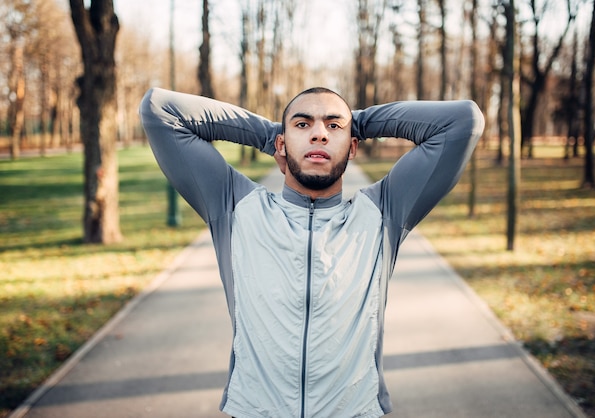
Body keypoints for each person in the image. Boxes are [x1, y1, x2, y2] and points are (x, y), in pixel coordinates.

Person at [139, 87, 484, 418]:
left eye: (333, 126)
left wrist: (357, 122)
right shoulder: (235, 206)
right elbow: (159, 110)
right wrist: (269, 134)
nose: (319, 134)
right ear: (281, 144)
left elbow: (462, 121)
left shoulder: (383, 213)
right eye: (303, 125)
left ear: (352, 148)